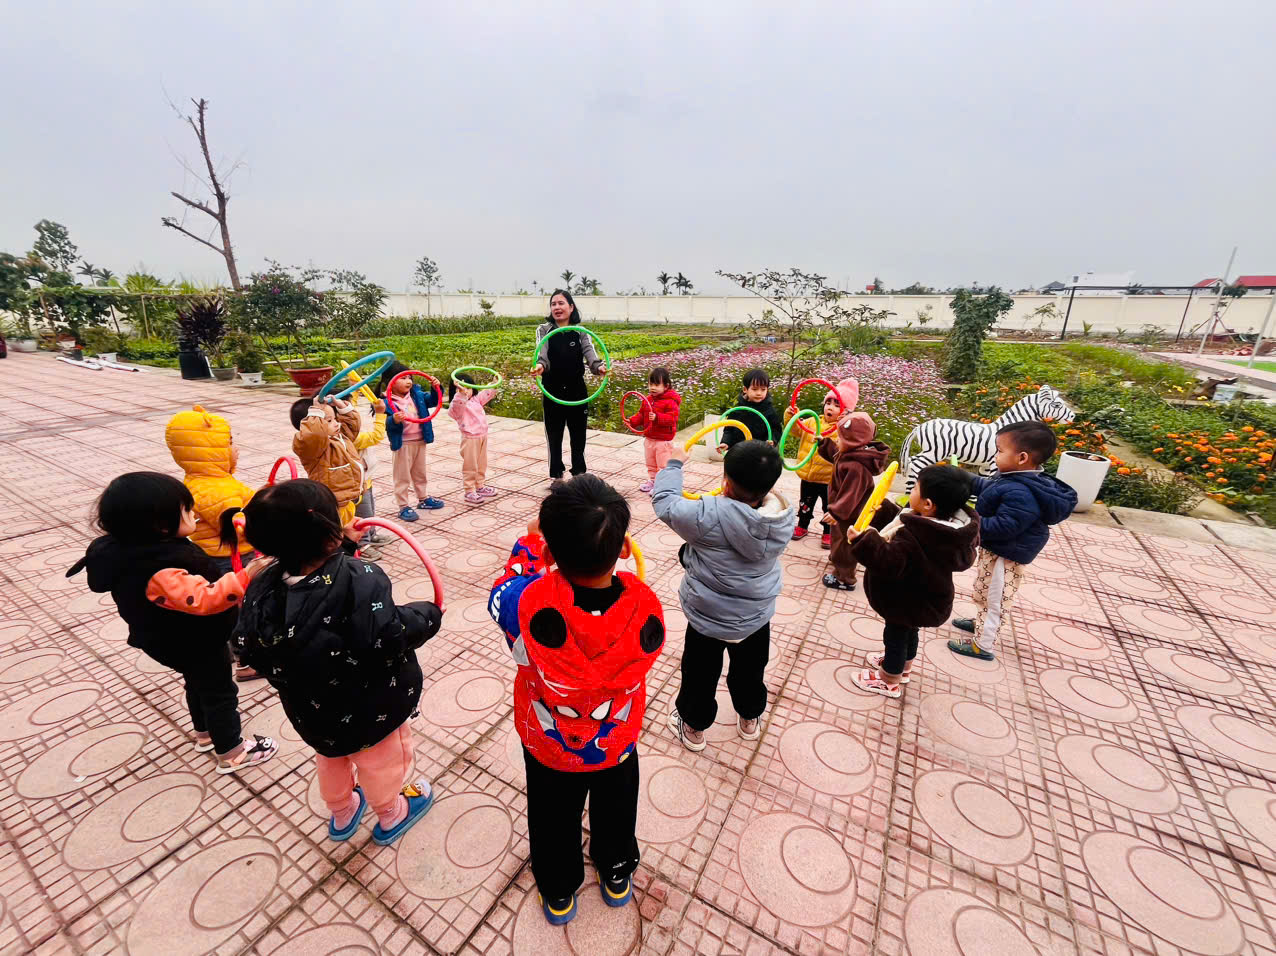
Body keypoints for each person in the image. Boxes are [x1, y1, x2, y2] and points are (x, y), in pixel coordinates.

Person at [487, 475, 663, 926]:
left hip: (549, 748)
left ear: (550, 556)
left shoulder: (525, 604)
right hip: (615, 741)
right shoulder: (644, 605)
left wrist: (528, 546)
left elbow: (499, 593)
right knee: (617, 807)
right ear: (624, 550)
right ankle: (617, 873)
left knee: (552, 817)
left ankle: (559, 890)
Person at [233, 479, 443, 846]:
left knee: (330, 758)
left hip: (312, 711)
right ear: (326, 530)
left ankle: (343, 812)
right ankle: (391, 813)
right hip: (371, 707)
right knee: (381, 762)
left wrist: (342, 544)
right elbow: (388, 635)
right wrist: (428, 615)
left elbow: (310, 589)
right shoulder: (363, 578)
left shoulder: (262, 584)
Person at [67, 472, 279, 774]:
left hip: (167, 640)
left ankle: (205, 735)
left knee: (198, 684)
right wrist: (248, 574)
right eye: (187, 510)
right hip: (192, 641)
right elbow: (207, 598)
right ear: (161, 525)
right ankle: (232, 752)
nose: (194, 515)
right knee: (219, 692)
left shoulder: (131, 551)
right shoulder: (158, 567)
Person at [652, 440, 794, 753]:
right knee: (751, 670)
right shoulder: (782, 516)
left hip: (708, 618)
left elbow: (664, 502)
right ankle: (750, 717)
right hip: (755, 618)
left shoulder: (706, 515)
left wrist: (674, 464)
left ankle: (694, 726)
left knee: (699, 675)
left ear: (726, 483)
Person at [846, 465, 980, 697]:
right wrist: (885, 510)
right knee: (909, 631)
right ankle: (904, 667)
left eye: (916, 487)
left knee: (896, 636)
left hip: (906, 599)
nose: (912, 490)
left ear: (928, 504)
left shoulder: (918, 536)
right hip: (924, 598)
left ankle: (889, 679)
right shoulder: (944, 528)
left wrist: (862, 542)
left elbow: (890, 561)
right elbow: (904, 520)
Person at [949, 421, 1077, 661]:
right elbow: (989, 488)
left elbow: (1005, 526)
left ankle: (983, 645)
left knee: (995, 598)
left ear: (1022, 458)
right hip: (998, 550)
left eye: (999, 450)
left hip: (1007, 554)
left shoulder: (1021, 491)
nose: (995, 455)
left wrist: (970, 524)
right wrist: (965, 478)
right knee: (984, 589)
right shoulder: (1013, 477)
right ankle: (982, 622)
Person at [164, 405, 256, 574]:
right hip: (232, 558)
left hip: (217, 553)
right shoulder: (215, 490)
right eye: (229, 443)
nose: (236, 448)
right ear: (212, 452)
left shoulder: (203, 479)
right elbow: (237, 527)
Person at [532, 290, 606, 481]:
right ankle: (556, 476)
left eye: (561, 303)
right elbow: (542, 353)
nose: (557, 307)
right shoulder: (544, 330)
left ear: (571, 307)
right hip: (552, 390)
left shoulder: (581, 332)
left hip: (577, 391)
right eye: (553, 304)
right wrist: (539, 366)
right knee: (554, 436)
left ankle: (579, 476)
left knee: (578, 435)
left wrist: (599, 367)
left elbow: (591, 355)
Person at [818, 411, 891, 591]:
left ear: (852, 443)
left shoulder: (857, 467)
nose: (837, 440)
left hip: (850, 514)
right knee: (838, 539)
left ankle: (844, 578)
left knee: (845, 543)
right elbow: (836, 455)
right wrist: (823, 444)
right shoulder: (850, 453)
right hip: (845, 511)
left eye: (840, 438)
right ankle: (838, 560)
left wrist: (836, 512)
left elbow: (852, 494)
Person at [783, 379, 857, 549]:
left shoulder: (843, 429)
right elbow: (795, 429)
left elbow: (848, 445)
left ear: (846, 411)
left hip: (829, 479)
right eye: (828, 403)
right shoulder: (812, 421)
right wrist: (792, 416)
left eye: (837, 405)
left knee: (828, 508)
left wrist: (846, 424)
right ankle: (802, 525)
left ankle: (828, 532)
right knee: (805, 504)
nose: (830, 407)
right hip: (808, 475)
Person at [377, 361, 444, 520]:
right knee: (402, 477)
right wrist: (394, 419)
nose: (408, 381)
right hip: (403, 444)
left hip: (420, 440)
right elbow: (384, 423)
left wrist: (436, 388)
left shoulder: (417, 395)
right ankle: (403, 506)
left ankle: (423, 498)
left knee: (420, 473)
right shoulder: (385, 402)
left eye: (409, 378)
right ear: (391, 382)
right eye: (403, 378)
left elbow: (433, 401)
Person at [289, 396, 367, 526]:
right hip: (331, 506)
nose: (337, 423)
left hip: (347, 501)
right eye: (329, 421)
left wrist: (342, 407)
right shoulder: (313, 448)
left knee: (347, 531)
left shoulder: (339, 437)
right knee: (334, 534)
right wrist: (316, 413)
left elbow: (352, 426)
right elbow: (313, 435)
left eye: (335, 419)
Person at [625, 367, 681, 493]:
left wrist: (657, 417)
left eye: (656, 384)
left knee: (663, 465)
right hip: (649, 438)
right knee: (650, 463)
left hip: (663, 441)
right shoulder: (648, 400)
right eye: (651, 384)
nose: (652, 388)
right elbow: (641, 415)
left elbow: (672, 419)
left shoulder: (670, 402)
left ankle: (662, 485)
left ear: (666, 386)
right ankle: (653, 481)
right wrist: (632, 421)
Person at [447, 370, 499, 504]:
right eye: (462, 388)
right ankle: (469, 490)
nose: (466, 391)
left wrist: (494, 383)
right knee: (470, 466)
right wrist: (461, 395)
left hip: (482, 436)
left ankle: (480, 485)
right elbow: (454, 411)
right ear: (455, 390)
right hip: (469, 439)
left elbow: (487, 393)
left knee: (482, 464)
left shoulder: (476, 400)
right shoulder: (458, 404)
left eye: (469, 388)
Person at [352, 396, 389, 560]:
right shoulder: (351, 437)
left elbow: (349, 409)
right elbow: (376, 436)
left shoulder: (346, 426)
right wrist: (380, 414)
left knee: (370, 510)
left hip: (366, 479)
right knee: (363, 513)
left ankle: (371, 534)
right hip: (357, 484)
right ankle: (363, 544)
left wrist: (354, 389)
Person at [718, 368, 783, 455]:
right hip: (739, 451)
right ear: (745, 389)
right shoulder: (738, 410)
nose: (759, 393)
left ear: (767, 390)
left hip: (760, 452)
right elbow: (729, 429)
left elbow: (776, 430)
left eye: (763, 389)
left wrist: (771, 441)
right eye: (755, 389)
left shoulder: (769, 410)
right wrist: (725, 442)